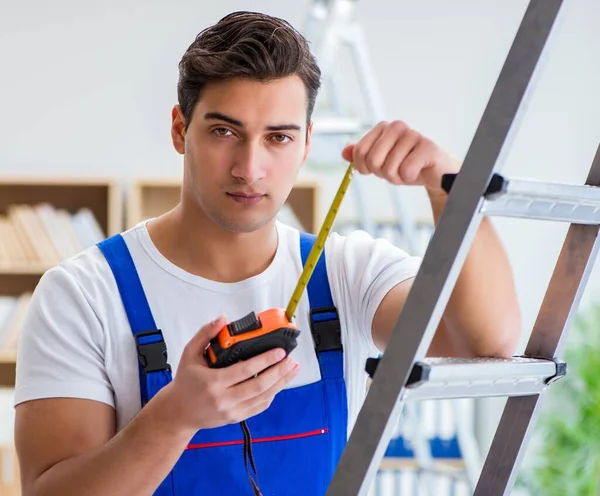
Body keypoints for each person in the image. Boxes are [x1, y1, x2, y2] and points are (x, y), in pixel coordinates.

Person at [13, 10, 521, 496]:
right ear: (178, 130)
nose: (249, 168)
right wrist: (176, 417)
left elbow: (487, 341)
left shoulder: (348, 274)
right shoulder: (82, 294)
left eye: (277, 137)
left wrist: (451, 187)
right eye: (224, 131)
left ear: (304, 146)